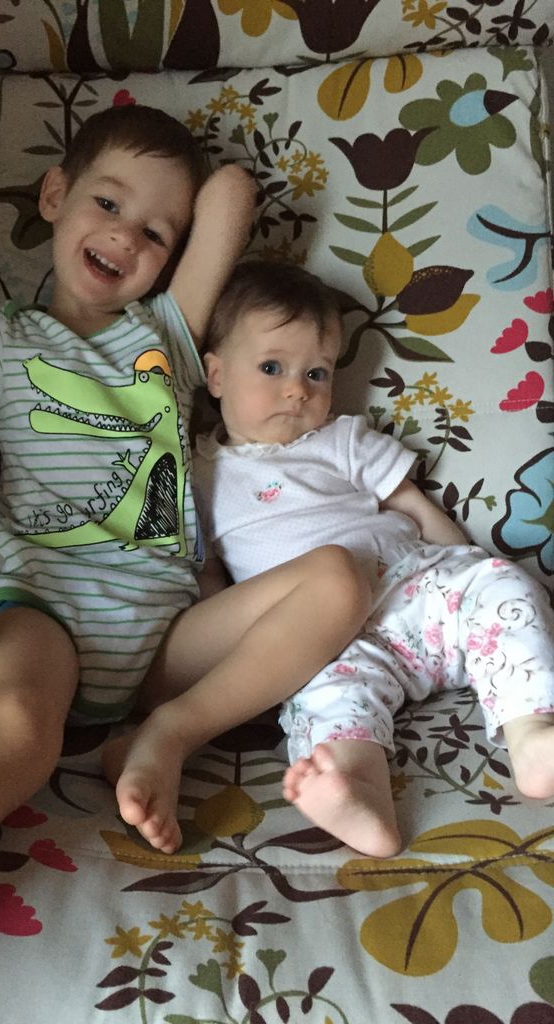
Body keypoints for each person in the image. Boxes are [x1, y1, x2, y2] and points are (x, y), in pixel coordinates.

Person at [0, 107, 370, 1024]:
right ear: (53, 195)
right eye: (106, 203)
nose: (126, 236)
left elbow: (231, 194)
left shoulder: (169, 335)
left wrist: (172, 221)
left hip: (165, 636)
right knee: (16, 725)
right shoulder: (0, 337)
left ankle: (164, 735)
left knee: (341, 577)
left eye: (155, 233)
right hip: (45, 606)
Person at [193, 258, 554, 860]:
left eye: (316, 372)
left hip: (413, 593)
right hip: (321, 641)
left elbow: (413, 507)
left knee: (503, 587)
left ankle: (533, 736)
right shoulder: (198, 476)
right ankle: (358, 796)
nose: (297, 389)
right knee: (327, 702)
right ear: (216, 374)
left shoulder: (341, 439)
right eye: (272, 367)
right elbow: (209, 579)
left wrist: (463, 571)